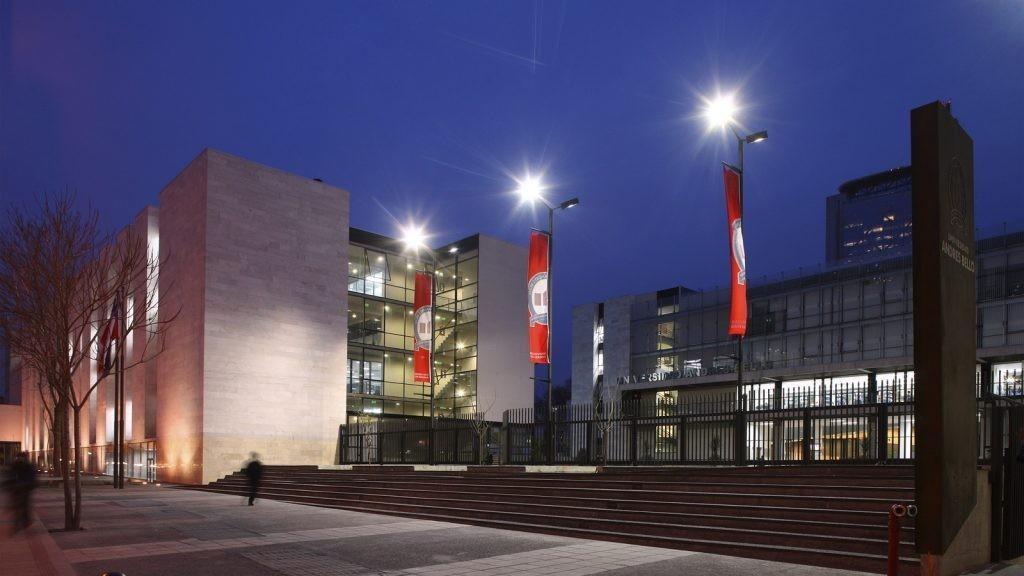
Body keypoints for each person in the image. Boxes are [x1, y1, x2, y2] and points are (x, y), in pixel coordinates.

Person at [3, 452, 38, 533]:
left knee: (23, 506)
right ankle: (21, 522)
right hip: (18, 489)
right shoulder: (16, 465)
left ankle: (24, 522)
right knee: (19, 506)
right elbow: (10, 476)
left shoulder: (27, 466)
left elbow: (32, 478)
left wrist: (28, 485)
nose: (20, 459)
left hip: (23, 489)